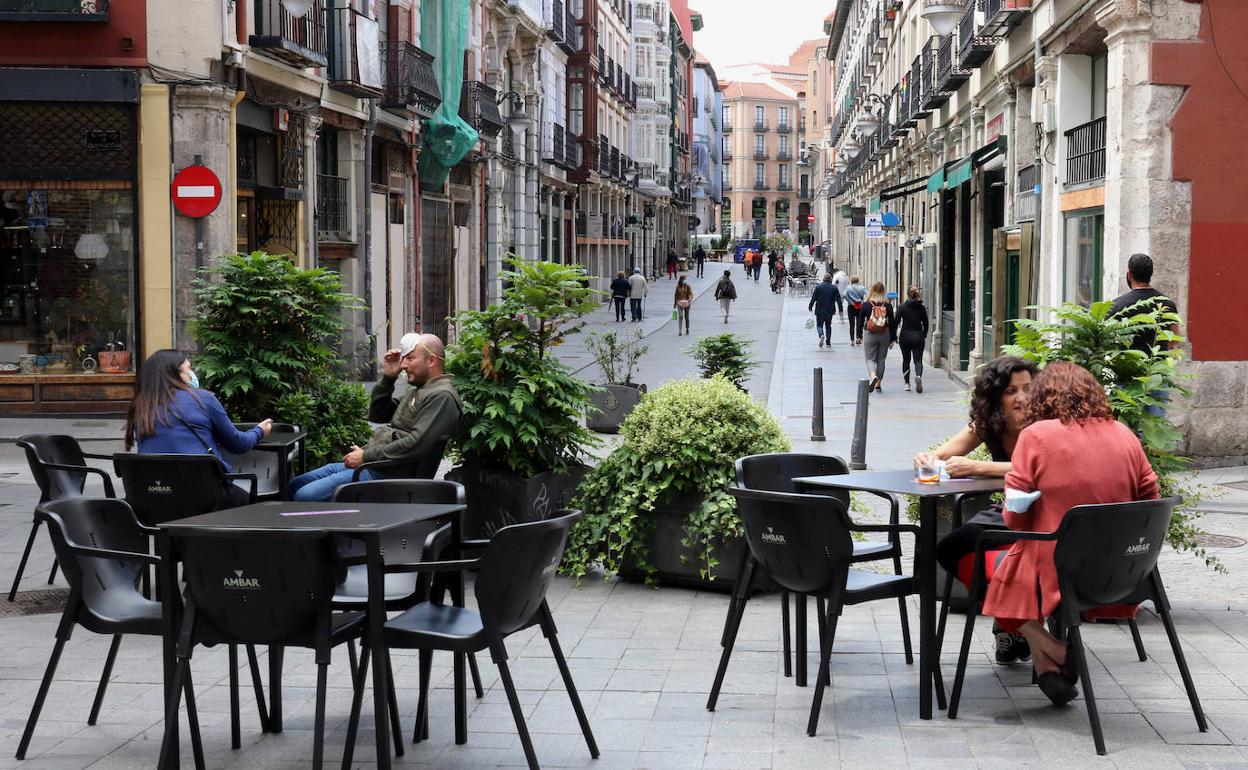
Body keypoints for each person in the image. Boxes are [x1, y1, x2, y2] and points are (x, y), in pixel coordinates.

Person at [982, 362, 1158, 706]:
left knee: (990, 569)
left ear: (1043, 398)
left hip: (1060, 570)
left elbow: (1014, 516)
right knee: (1005, 568)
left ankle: (1056, 649)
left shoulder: (1037, 436)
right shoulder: (1123, 433)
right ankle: (1048, 668)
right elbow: (1150, 498)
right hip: (1124, 572)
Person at [920, 355, 1039, 663]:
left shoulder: (1045, 422)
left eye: (1028, 388)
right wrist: (927, 459)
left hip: (1044, 514)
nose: (1022, 398)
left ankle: (1010, 627)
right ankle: (1012, 626)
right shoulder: (988, 422)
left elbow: (1038, 468)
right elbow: (943, 455)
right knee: (950, 547)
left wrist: (980, 467)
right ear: (996, 396)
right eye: (1012, 391)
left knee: (993, 557)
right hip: (1011, 511)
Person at [288, 333, 462, 502]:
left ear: (431, 360)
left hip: (389, 477)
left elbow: (415, 444)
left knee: (305, 496)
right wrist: (388, 378)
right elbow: (379, 415)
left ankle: (334, 531)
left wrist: (365, 457)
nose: (403, 365)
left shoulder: (442, 396)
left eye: (410, 358)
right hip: (376, 466)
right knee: (295, 485)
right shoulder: (422, 390)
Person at [125, 349, 273, 508]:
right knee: (252, 504)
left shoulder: (141, 407)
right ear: (175, 373)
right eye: (189, 368)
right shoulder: (203, 399)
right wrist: (259, 431)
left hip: (155, 498)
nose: (192, 374)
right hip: (205, 496)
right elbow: (238, 444)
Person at [1109, 253, 1181, 354]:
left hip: (1126, 367)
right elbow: (1174, 342)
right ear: (1150, 274)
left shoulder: (1115, 305)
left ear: (1129, 275)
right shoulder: (1168, 304)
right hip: (1159, 366)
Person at [861, 282, 896, 392]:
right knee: (881, 360)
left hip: (870, 333)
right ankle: (878, 383)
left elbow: (860, 320)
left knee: (870, 358)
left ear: (872, 290)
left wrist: (858, 335)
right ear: (883, 292)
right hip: (884, 333)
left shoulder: (866, 304)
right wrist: (893, 338)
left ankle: (872, 376)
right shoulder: (887, 305)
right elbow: (893, 323)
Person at [896, 286, 930, 393]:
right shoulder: (921, 308)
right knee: (918, 359)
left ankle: (907, 384)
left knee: (906, 359)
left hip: (905, 335)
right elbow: (926, 323)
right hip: (918, 335)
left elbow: (896, 321)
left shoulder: (902, 307)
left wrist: (893, 336)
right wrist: (923, 334)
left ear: (907, 294)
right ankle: (918, 375)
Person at [808, 273, 841, 348]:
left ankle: (821, 335)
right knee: (828, 326)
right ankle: (828, 341)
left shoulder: (818, 287)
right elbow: (838, 299)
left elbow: (814, 298)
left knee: (819, 325)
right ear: (830, 279)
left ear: (823, 278)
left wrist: (810, 306)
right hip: (830, 310)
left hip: (819, 310)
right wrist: (840, 309)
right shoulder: (834, 288)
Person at [844, 275, 867, 345]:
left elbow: (844, 295)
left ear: (851, 281)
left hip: (851, 306)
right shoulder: (862, 288)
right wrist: (862, 301)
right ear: (858, 281)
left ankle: (852, 340)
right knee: (859, 323)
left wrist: (851, 302)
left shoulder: (848, 288)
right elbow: (868, 294)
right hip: (860, 306)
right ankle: (858, 338)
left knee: (852, 324)